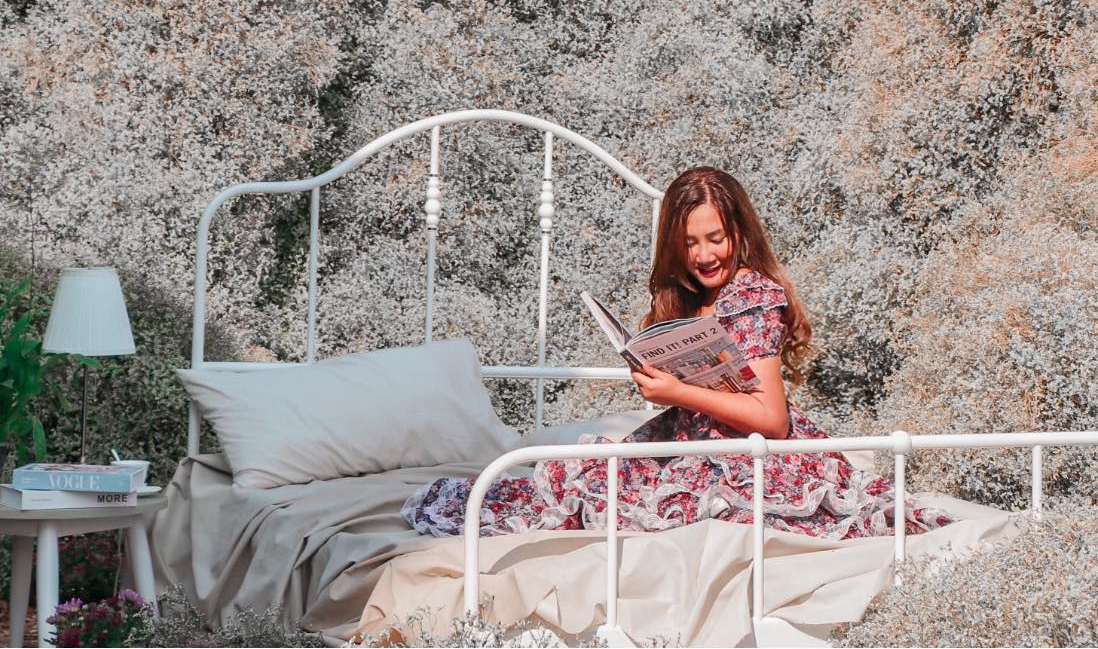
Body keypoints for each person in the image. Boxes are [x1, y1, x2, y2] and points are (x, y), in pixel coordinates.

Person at [402, 167, 955, 539]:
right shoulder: (696, 299)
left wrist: (677, 392)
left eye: (715, 238)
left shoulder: (751, 297)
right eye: (689, 243)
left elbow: (772, 419)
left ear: (739, 232)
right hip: (697, 439)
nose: (704, 254)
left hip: (751, 451)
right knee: (577, 481)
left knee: (628, 499)